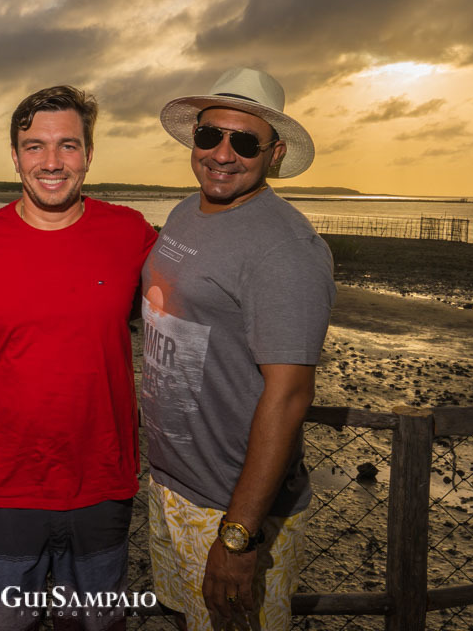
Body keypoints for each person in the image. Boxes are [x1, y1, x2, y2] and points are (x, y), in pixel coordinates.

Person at [0, 85, 158, 631]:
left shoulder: (130, 233)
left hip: (103, 485)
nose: (52, 162)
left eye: (68, 145)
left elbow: (191, 307)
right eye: (34, 146)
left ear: (89, 154)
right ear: (14, 156)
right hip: (3, 485)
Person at [141, 67, 335, 630]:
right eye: (210, 136)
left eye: (245, 141)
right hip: (172, 485)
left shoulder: (285, 249)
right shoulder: (186, 212)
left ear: (274, 154)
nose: (223, 154)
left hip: (230, 508)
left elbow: (290, 396)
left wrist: (240, 537)